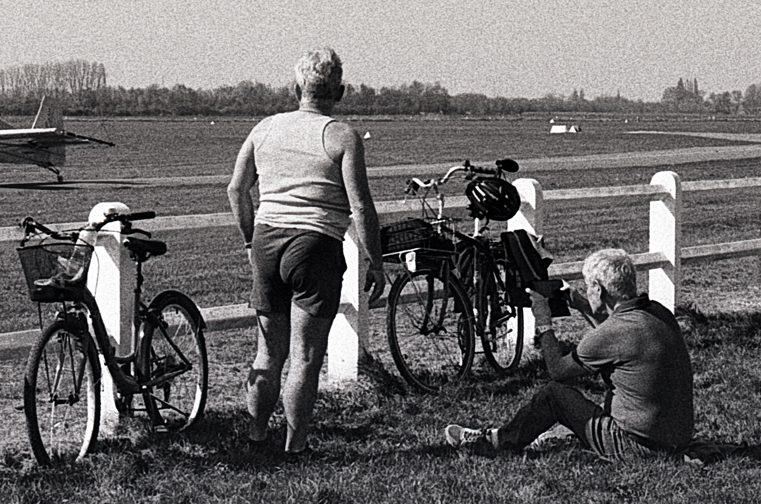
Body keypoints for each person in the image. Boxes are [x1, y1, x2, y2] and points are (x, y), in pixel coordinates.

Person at [227, 47, 386, 457]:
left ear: (295, 87)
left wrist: (249, 239)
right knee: (305, 356)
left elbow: (236, 189)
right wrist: (375, 262)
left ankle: (257, 438)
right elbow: (361, 207)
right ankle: (295, 447)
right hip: (314, 245)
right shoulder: (341, 135)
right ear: (341, 91)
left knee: (267, 351)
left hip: (267, 240)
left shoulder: (264, 129)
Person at [445, 248, 694, 460]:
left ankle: (494, 442)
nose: (587, 291)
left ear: (598, 288)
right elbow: (615, 340)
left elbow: (559, 371)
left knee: (555, 396)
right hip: (676, 440)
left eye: (588, 287)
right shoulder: (658, 312)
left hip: (637, 447)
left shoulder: (616, 332)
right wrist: (579, 303)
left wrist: (544, 322)